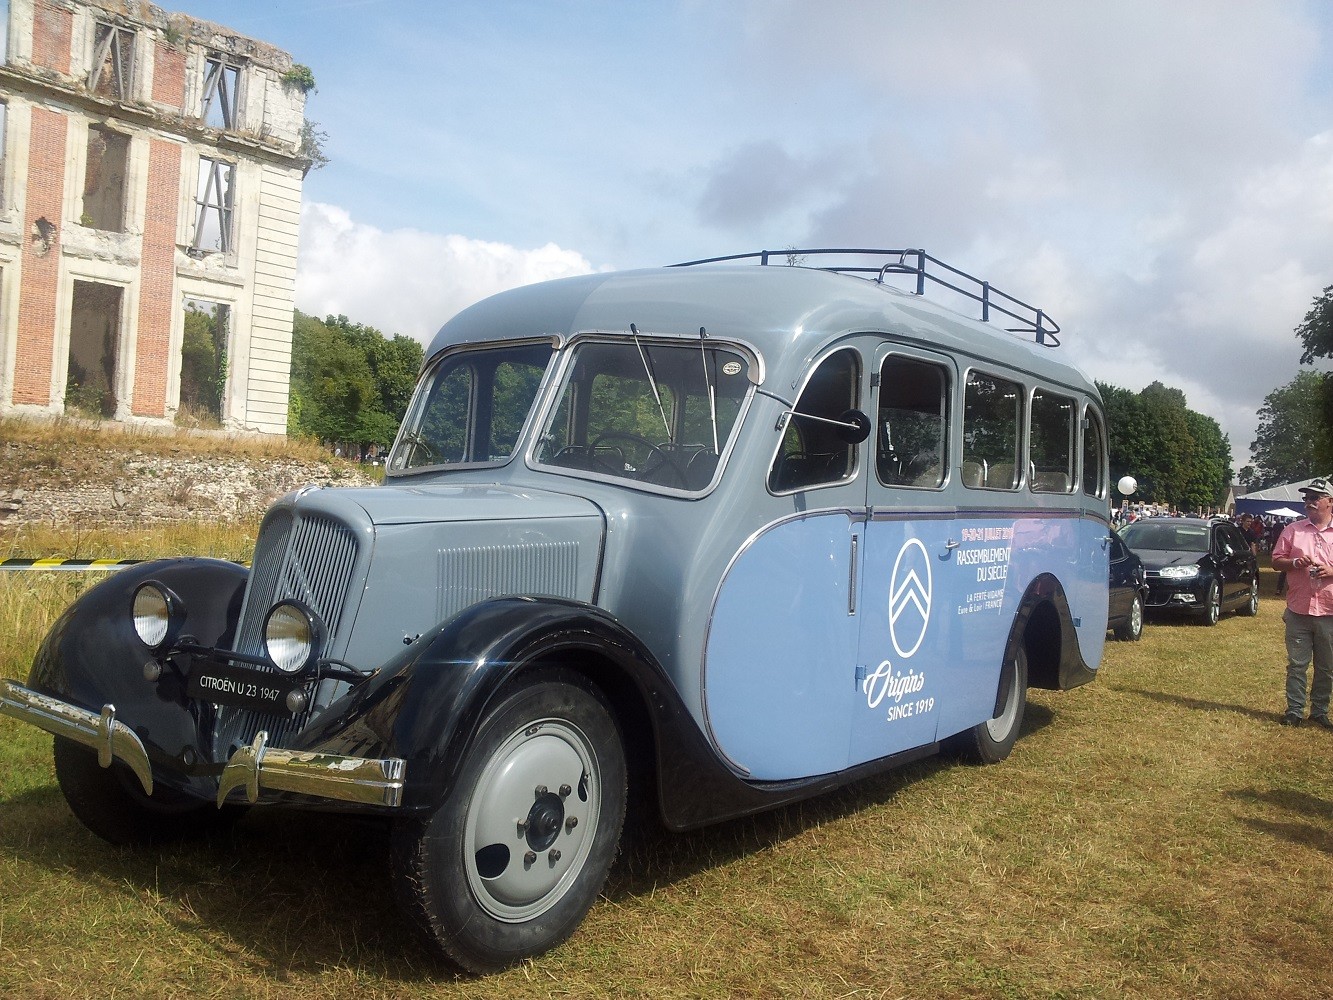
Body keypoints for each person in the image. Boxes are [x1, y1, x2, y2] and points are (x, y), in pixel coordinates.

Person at [1270, 477, 1333, 727]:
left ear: (1330, 502)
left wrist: (1331, 570)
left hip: (1329, 611)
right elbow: (1276, 561)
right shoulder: (1293, 530)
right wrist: (1294, 563)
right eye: (1306, 498)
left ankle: (1319, 711)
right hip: (1299, 609)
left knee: (1327, 667)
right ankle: (1294, 711)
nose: (1309, 502)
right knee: (1297, 665)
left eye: (1315, 497)